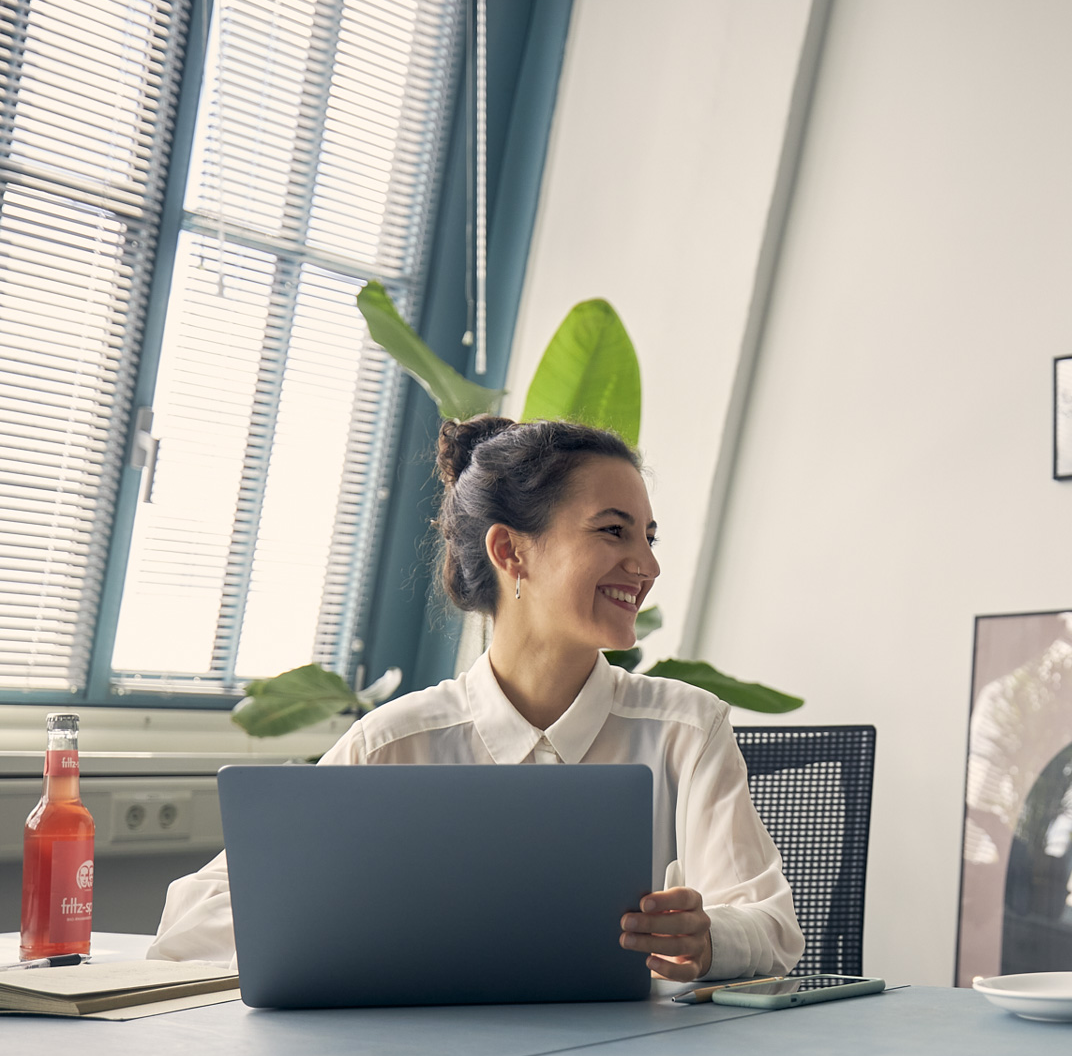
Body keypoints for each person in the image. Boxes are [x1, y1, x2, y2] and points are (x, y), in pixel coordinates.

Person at [149, 416, 805, 981]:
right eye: (614, 532)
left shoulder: (686, 731)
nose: (648, 565)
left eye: (649, 537)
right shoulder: (394, 745)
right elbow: (192, 927)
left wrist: (707, 936)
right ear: (509, 550)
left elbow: (771, 924)